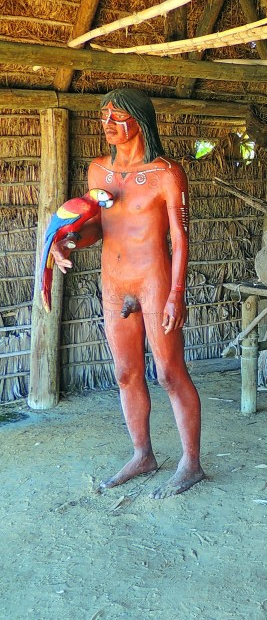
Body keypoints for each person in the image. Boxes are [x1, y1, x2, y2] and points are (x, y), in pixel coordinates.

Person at [50, 88, 205, 499]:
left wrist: (176, 293)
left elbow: (180, 238)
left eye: (117, 117)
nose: (108, 125)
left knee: (169, 372)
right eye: (104, 117)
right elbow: (98, 227)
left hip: (154, 279)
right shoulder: (98, 171)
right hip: (115, 282)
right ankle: (142, 455)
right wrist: (69, 241)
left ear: (141, 121)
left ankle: (191, 463)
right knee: (125, 372)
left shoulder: (166, 173)